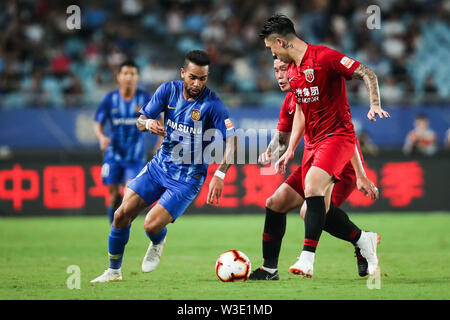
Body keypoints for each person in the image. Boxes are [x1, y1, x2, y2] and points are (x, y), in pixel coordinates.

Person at [260, 14, 390, 278]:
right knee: (277, 202)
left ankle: (307, 259)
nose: (271, 54)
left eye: (271, 48)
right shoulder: (295, 72)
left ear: (280, 41)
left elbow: (367, 72)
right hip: (313, 147)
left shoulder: (325, 58)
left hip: (338, 139)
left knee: (311, 194)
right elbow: (301, 113)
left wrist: (374, 104)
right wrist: (289, 150)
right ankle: (270, 269)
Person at [91, 50, 237, 283]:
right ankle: (113, 272)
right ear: (183, 73)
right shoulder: (167, 90)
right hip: (159, 167)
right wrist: (148, 122)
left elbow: (232, 140)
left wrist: (220, 173)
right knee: (120, 215)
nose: (197, 83)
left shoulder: (213, 105)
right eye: (192, 77)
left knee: (150, 226)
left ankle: (158, 240)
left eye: (202, 78)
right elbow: (140, 121)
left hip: (187, 179)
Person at [94, 60, 152, 224]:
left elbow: (161, 118)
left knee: (129, 194)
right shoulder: (110, 99)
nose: (128, 77)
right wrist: (101, 137)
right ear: (119, 77)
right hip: (113, 156)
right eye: (125, 73)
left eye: (132, 74)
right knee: (113, 196)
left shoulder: (145, 98)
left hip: (135, 157)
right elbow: (97, 122)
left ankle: (121, 228)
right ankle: (114, 227)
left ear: (137, 77)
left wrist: (160, 141)